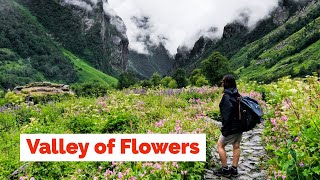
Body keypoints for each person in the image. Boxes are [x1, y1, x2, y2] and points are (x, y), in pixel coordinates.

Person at [214, 74, 242, 178]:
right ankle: (234, 169)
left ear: (225, 83)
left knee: (220, 145)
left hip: (231, 127)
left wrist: (224, 128)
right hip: (240, 126)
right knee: (236, 145)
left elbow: (227, 115)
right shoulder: (237, 94)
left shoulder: (227, 97)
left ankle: (225, 169)